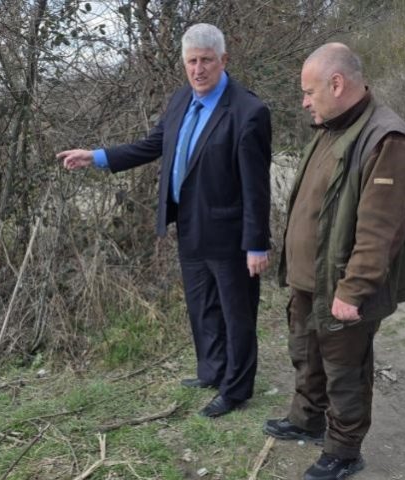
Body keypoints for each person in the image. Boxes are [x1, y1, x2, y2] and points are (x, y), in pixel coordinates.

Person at [57, 23, 272, 418]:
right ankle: (212, 371)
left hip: (229, 235)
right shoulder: (181, 100)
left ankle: (236, 389)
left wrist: (256, 244)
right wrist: (97, 157)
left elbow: (256, 187)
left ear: (224, 60)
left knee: (237, 313)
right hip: (188, 226)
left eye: (206, 60)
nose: (198, 69)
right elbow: (152, 145)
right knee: (202, 307)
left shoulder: (248, 112)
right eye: (191, 61)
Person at [263, 42, 405, 480]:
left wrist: (354, 290)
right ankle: (306, 419)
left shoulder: (386, 139)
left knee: (345, 370)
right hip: (310, 278)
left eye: (309, 91)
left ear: (336, 84)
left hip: (341, 285)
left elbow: (382, 230)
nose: (304, 102)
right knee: (306, 354)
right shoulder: (331, 126)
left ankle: (343, 451)